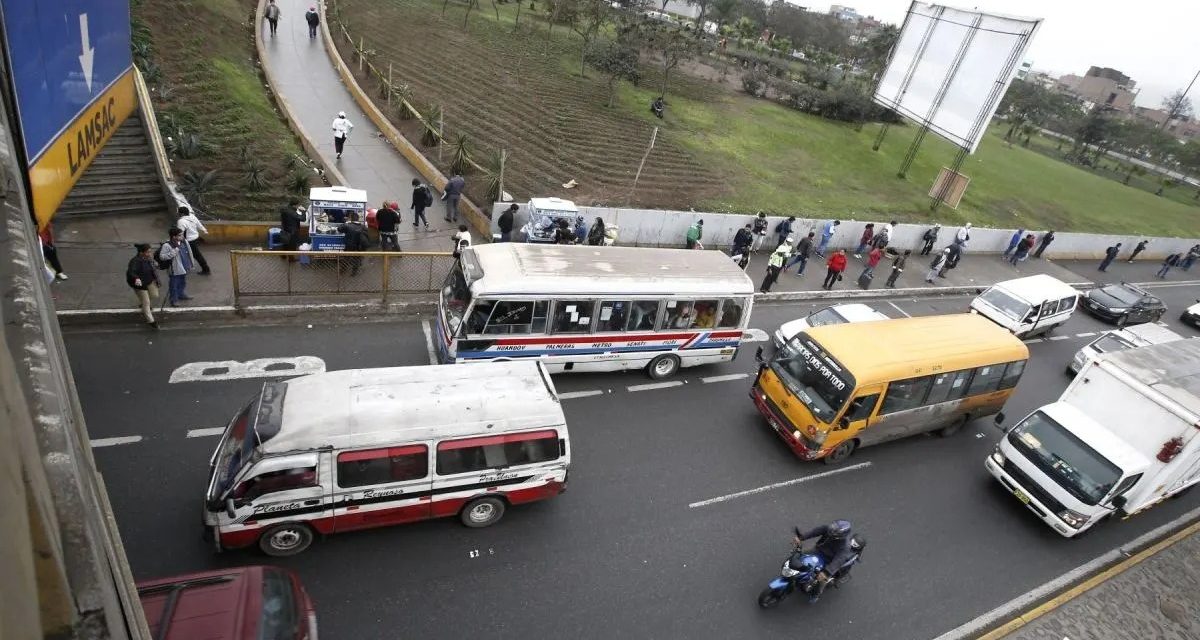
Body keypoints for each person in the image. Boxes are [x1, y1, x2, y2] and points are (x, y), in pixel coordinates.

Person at [793, 520, 857, 602]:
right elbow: (814, 532)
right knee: (800, 556)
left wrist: (827, 572)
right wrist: (801, 538)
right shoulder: (829, 529)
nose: (830, 532)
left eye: (834, 532)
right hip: (818, 550)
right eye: (832, 529)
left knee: (821, 580)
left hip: (829, 561)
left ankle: (816, 594)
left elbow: (838, 560)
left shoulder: (845, 547)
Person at [126, 244, 160, 329]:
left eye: (150, 251)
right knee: (146, 302)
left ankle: (143, 305)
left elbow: (154, 267)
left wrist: (156, 265)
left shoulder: (148, 259)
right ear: (141, 253)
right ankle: (151, 321)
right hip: (140, 285)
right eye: (148, 252)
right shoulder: (135, 261)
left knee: (154, 295)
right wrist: (136, 278)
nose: (150, 253)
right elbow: (131, 272)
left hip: (150, 281)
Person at [158, 227, 194, 306]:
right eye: (180, 235)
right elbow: (162, 257)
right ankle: (173, 299)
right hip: (175, 269)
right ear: (174, 236)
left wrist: (191, 264)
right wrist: (174, 251)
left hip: (184, 267)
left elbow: (189, 253)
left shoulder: (184, 242)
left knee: (182, 282)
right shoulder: (167, 245)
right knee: (173, 285)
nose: (182, 236)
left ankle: (181, 294)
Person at [176, 206, 211, 275]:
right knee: (190, 254)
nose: (178, 214)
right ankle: (184, 267)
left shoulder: (181, 221)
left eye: (179, 213)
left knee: (196, 255)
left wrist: (177, 241)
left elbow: (180, 233)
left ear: (182, 214)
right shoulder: (192, 217)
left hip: (189, 241)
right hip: (195, 238)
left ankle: (206, 269)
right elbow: (199, 224)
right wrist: (204, 230)